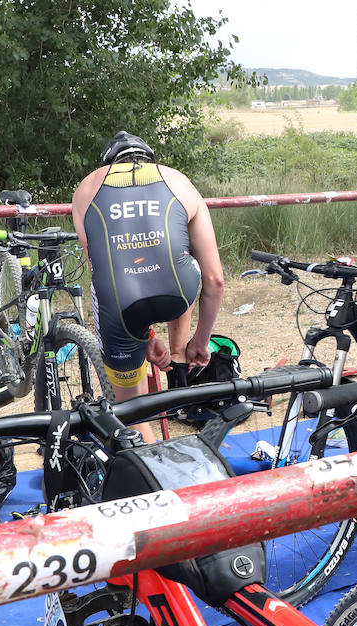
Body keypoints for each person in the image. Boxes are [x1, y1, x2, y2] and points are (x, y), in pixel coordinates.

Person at [72, 131, 225, 443]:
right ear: (149, 159)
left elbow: (100, 267)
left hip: (122, 302)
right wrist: (201, 341)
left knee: (133, 413)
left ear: (107, 163)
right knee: (183, 263)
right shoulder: (179, 180)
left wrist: (142, 336)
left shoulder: (87, 187)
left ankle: (150, 469)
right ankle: (181, 350)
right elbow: (215, 279)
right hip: (179, 294)